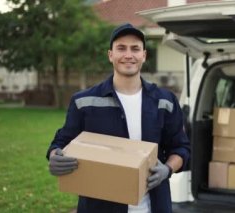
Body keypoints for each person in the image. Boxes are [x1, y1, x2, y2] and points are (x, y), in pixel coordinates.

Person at [46, 23, 190, 213]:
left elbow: (181, 147)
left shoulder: (165, 101)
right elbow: (61, 142)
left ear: (144, 55)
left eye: (135, 49)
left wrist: (168, 169)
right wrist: (55, 157)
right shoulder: (84, 101)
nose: (128, 55)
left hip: (153, 206)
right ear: (110, 55)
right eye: (121, 48)